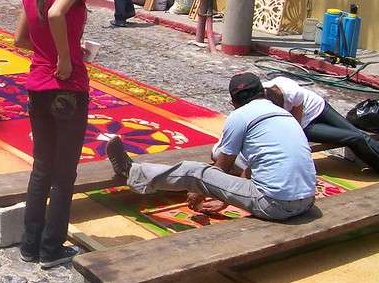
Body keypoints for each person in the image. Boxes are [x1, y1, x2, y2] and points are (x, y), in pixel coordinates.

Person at [107, 72, 318, 221]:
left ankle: (132, 172)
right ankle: (142, 174)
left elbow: (221, 168)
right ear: (263, 93)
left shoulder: (240, 115)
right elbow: (255, 167)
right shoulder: (283, 114)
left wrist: (199, 190)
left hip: (275, 205)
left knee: (194, 172)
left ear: (233, 102)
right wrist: (228, 198)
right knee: (248, 160)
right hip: (307, 200)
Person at [14, 0, 97, 268]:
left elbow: (20, 39)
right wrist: (64, 57)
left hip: (37, 86)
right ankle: (51, 249)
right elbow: (56, 14)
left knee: (42, 168)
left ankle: (29, 245)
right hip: (67, 89)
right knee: (64, 173)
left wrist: (57, 50)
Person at [263, 76, 379, 172]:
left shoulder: (291, 92)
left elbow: (295, 125)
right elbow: (295, 130)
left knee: (358, 133)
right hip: (306, 126)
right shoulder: (259, 97)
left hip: (318, 108)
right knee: (355, 138)